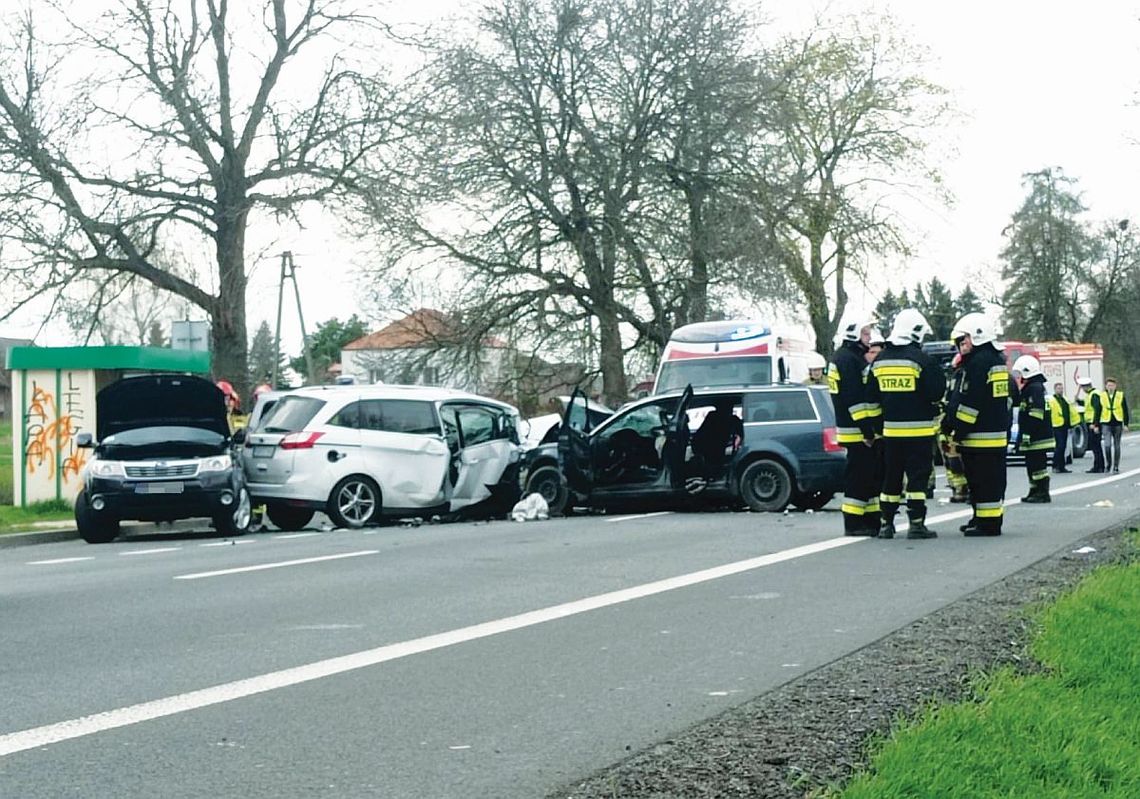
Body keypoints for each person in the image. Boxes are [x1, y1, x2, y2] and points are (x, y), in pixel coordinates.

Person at [863, 308, 945, 540]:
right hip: (919, 433)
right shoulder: (922, 361)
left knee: (891, 478)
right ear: (916, 333)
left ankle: (886, 525)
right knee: (917, 479)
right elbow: (936, 393)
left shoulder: (879, 361)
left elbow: (871, 400)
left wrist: (877, 429)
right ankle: (916, 524)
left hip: (890, 434)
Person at [944, 313, 1009, 536]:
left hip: (981, 435)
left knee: (984, 481)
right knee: (983, 480)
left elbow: (972, 403)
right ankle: (981, 518)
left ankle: (988, 524)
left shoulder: (979, 364)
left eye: (964, 341)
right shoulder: (994, 361)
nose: (961, 346)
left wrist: (958, 430)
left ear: (978, 337)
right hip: (991, 434)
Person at [829, 313, 880, 535]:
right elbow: (854, 399)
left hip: (854, 428)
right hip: (857, 430)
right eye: (865, 333)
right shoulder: (849, 360)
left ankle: (869, 520)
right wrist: (868, 431)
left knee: (867, 475)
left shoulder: (846, 357)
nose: (869, 337)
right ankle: (854, 523)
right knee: (858, 477)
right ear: (853, 334)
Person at [1011, 355, 1053, 503]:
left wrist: (1027, 434)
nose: (1019, 377)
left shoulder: (1035, 388)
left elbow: (1035, 413)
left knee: (1038, 466)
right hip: (1035, 435)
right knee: (1031, 465)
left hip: (1037, 437)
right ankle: (1034, 490)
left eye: (1020, 374)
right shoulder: (1033, 388)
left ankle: (1042, 493)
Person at [939, 350, 970, 503]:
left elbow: (954, 402)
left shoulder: (960, 377)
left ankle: (962, 490)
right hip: (956, 424)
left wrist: (948, 423)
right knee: (955, 460)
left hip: (956, 425)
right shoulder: (960, 377)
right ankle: (960, 490)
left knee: (956, 460)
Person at [1047, 382, 1079, 473]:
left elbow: (1070, 410)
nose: (1060, 390)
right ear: (1055, 389)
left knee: (1063, 446)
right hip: (1057, 425)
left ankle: (1062, 466)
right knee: (1059, 446)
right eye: (1058, 388)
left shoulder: (1064, 399)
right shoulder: (1052, 400)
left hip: (1065, 425)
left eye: (1061, 388)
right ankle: (1055, 465)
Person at [1102, 377, 1130, 472]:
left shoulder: (1120, 395)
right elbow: (1098, 410)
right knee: (1107, 445)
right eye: (1108, 385)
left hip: (1117, 422)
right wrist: (1096, 424)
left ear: (1115, 386)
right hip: (1106, 422)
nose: (1110, 387)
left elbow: (1125, 410)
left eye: (1112, 385)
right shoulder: (1102, 396)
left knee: (1117, 445)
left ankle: (1116, 466)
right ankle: (1108, 463)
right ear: (1105, 386)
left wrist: (1126, 424)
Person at [1080, 377, 1107, 473]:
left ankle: (1099, 466)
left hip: (1093, 423)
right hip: (1092, 422)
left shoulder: (1094, 395)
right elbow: (1089, 406)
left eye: (1083, 387)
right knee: (1095, 445)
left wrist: (1095, 424)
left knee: (1095, 445)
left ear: (1085, 387)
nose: (1082, 389)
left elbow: (1097, 409)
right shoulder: (1091, 394)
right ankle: (1099, 465)